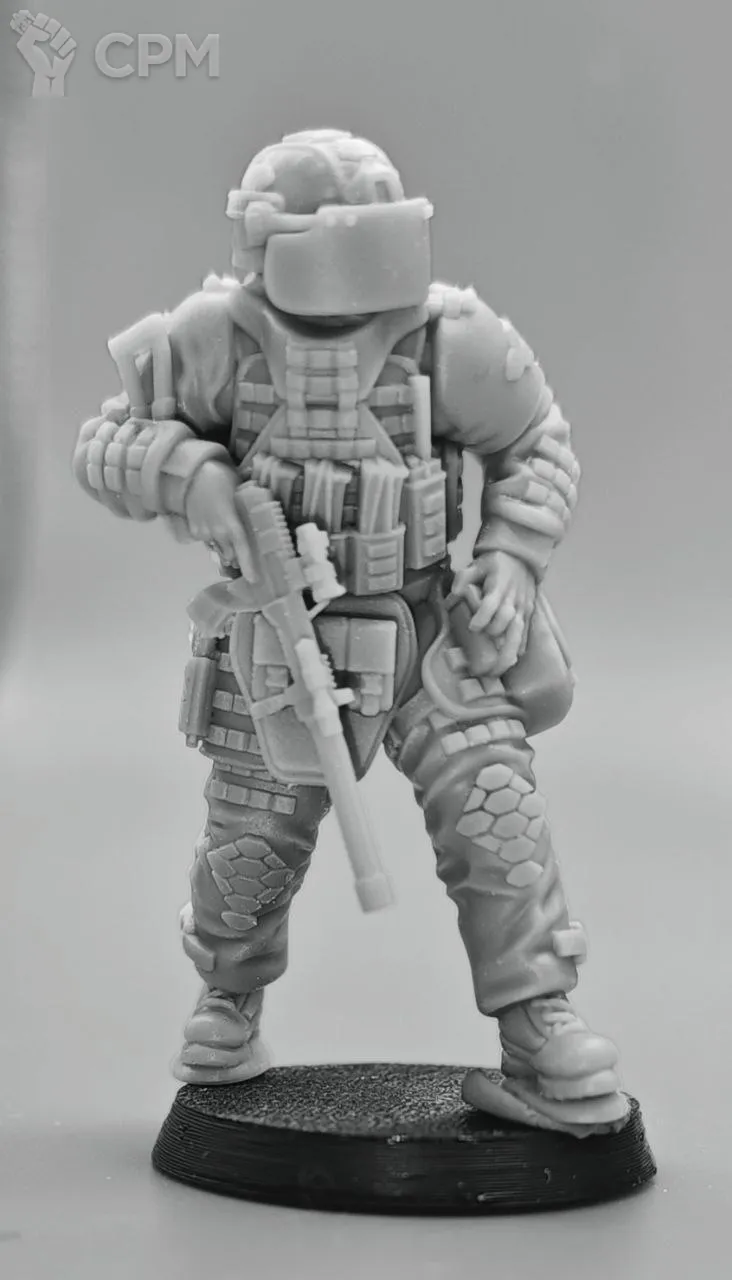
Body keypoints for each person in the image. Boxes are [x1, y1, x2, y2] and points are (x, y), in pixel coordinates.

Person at [74, 129, 628, 1136]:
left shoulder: (448, 339)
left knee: (496, 815)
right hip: (280, 641)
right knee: (250, 844)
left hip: (424, 624)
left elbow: (536, 442)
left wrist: (510, 556)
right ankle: (228, 1004)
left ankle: (537, 1026)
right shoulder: (212, 339)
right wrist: (189, 474)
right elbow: (105, 440)